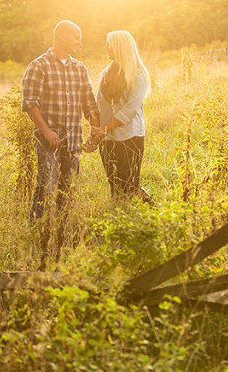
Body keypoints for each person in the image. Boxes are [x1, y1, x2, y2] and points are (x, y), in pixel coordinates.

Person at [21, 20, 100, 222]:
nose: (79, 43)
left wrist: (95, 129)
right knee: (45, 186)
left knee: (68, 189)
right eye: (76, 37)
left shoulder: (79, 69)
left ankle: (61, 232)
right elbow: (30, 104)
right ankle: (37, 230)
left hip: (73, 141)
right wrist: (47, 131)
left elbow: (89, 103)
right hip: (49, 141)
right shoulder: (38, 66)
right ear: (63, 36)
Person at [85, 30, 155, 206]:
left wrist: (103, 128)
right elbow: (100, 105)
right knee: (115, 187)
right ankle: (121, 222)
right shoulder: (106, 73)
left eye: (108, 43)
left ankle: (156, 213)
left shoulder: (138, 74)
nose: (105, 47)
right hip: (108, 139)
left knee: (131, 185)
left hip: (131, 136)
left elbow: (129, 109)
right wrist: (96, 135)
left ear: (119, 46)